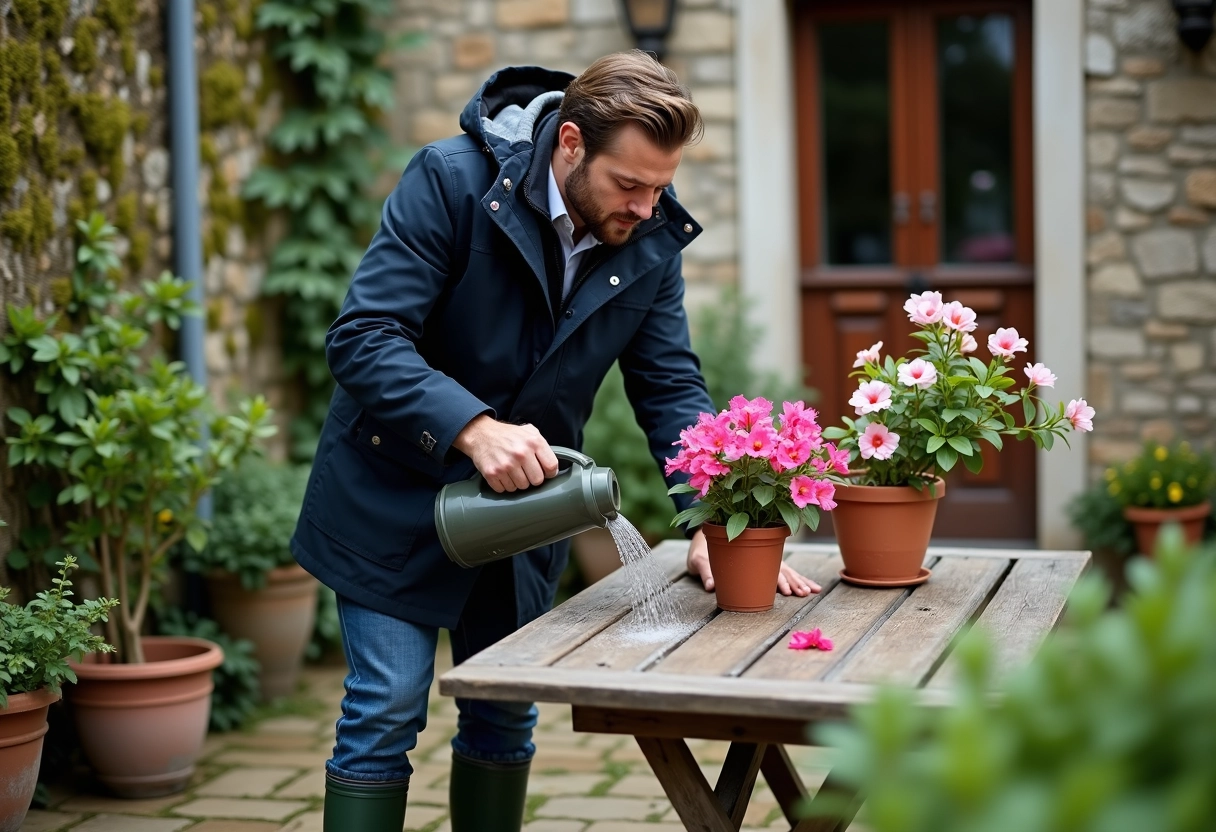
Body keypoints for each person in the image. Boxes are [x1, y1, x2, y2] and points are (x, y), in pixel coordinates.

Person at [290, 51, 820, 832]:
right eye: (629, 184)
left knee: (505, 713)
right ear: (570, 143)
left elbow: (669, 385)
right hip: (391, 495)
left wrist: (715, 516)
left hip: (524, 514)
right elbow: (364, 336)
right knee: (387, 707)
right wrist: (471, 427)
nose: (646, 208)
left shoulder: (646, 237)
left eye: (661, 187)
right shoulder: (448, 181)